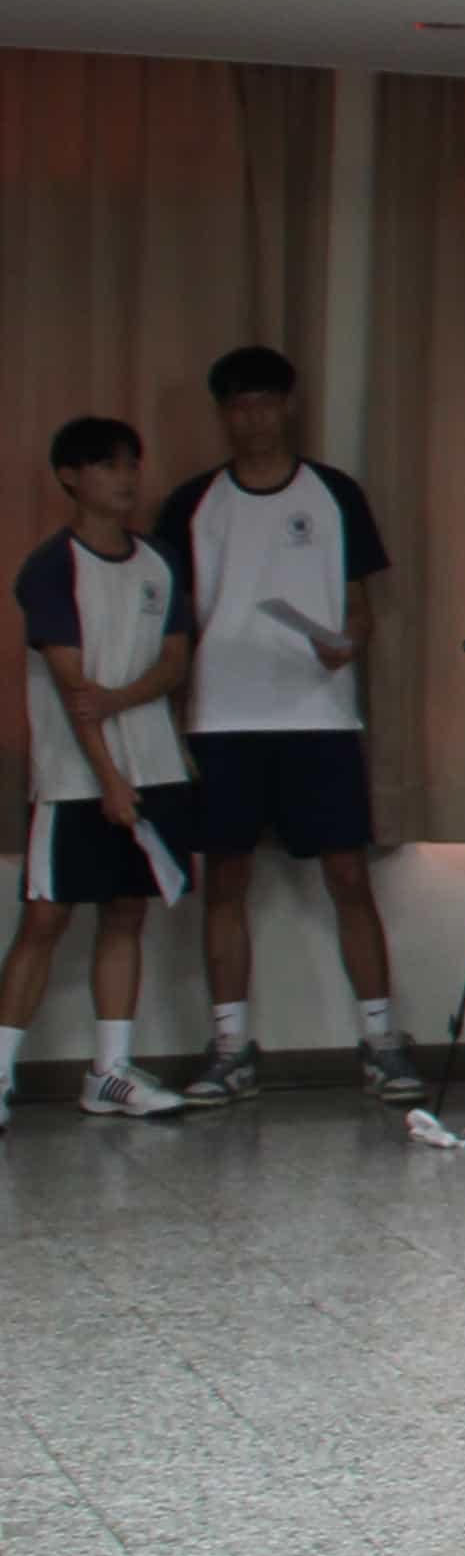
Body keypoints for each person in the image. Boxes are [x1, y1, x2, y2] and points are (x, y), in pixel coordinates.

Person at [156, 345, 415, 1104]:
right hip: (221, 718)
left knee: (348, 876)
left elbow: (360, 608)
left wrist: (347, 644)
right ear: (222, 414)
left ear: (288, 407)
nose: (254, 419)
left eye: (266, 403)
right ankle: (229, 1047)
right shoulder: (193, 503)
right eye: (239, 406)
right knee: (225, 880)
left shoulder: (334, 494)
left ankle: (383, 1042)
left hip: (319, 718)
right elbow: (173, 621)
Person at [8, 416, 198, 1123]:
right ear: (71, 477)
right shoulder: (51, 567)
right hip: (75, 778)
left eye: (130, 464)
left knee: (126, 911)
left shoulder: (160, 561)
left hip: (155, 767)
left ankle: (110, 1072)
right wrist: (109, 779)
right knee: (45, 917)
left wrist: (122, 701)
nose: (125, 478)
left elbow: (174, 661)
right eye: (108, 465)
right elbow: (72, 688)